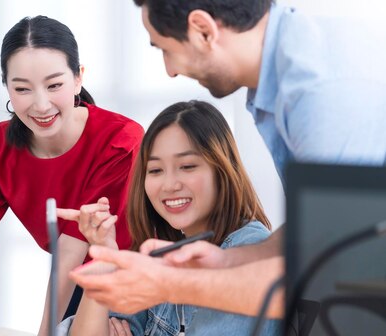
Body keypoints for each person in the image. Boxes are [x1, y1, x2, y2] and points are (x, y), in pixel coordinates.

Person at [69, 0, 386, 319]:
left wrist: (170, 284)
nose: (171, 70)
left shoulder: (319, 92)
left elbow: (334, 270)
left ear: (203, 30)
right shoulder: (289, 70)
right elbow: (319, 229)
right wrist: (228, 261)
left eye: (166, 49)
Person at [0, 15, 144, 335]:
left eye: (54, 86)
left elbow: (71, 255)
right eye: (22, 89)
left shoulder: (119, 143)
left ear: (78, 78)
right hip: (82, 286)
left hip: (137, 283)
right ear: (6, 86)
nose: (40, 105)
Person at [58, 101, 282, 335]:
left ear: (222, 170)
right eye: (155, 170)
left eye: (187, 166)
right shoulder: (163, 251)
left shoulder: (250, 253)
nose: (170, 185)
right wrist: (104, 253)